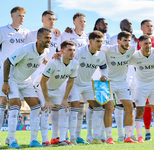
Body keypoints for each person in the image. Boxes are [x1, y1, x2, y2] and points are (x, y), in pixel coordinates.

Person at [0, 6, 29, 148]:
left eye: (23, 16)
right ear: (12, 16)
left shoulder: (25, 33)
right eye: (19, 15)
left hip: (18, 73)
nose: (21, 18)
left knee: (15, 104)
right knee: (2, 102)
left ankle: (11, 138)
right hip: (1, 71)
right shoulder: (2, 30)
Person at [2, 28, 51, 148]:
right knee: (15, 105)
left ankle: (33, 140)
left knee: (35, 106)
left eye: (50, 38)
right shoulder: (26, 49)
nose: (49, 40)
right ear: (38, 38)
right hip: (13, 80)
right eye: (46, 38)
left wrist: (53, 59)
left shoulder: (46, 51)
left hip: (26, 81)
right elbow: (7, 62)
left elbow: (41, 58)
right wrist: (5, 82)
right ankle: (11, 140)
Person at [62, 31, 107, 144]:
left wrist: (104, 75)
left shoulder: (101, 54)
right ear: (90, 42)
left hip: (88, 84)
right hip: (75, 84)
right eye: (97, 41)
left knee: (98, 108)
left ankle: (95, 138)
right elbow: (67, 60)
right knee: (76, 108)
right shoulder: (79, 52)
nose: (100, 44)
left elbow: (103, 67)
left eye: (101, 42)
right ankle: (72, 138)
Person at [24, 10, 61, 146]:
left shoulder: (57, 35)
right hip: (33, 75)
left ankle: (48, 138)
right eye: (49, 19)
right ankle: (36, 139)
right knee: (36, 107)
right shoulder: (31, 34)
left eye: (53, 19)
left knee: (47, 107)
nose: (52, 21)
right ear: (42, 20)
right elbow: (24, 49)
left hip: (50, 76)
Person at [40, 40, 78, 146]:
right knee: (46, 110)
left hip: (55, 89)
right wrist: (47, 100)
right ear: (62, 51)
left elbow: (70, 81)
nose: (72, 52)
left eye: (74, 50)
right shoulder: (53, 62)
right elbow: (42, 82)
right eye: (69, 50)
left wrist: (65, 99)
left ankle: (61, 139)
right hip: (42, 87)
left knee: (65, 109)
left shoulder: (75, 64)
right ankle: (45, 141)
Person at [102, 31, 137, 143]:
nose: (127, 43)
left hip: (122, 82)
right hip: (109, 82)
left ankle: (127, 137)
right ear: (118, 41)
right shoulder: (108, 49)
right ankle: (109, 137)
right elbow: (93, 50)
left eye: (129, 40)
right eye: (125, 40)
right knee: (109, 108)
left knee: (130, 107)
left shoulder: (132, 49)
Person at [60, 12, 88, 144]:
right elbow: (58, 49)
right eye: (80, 21)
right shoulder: (65, 35)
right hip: (68, 76)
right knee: (68, 107)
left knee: (80, 108)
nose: (83, 23)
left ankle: (77, 135)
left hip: (83, 77)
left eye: (84, 21)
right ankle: (65, 136)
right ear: (74, 23)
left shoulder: (88, 37)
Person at [86, 18, 111, 143]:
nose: (105, 25)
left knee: (102, 105)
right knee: (89, 106)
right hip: (90, 74)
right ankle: (88, 135)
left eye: (107, 23)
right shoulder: (88, 36)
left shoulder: (111, 37)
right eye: (103, 23)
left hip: (103, 75)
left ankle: (101, 135)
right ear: (97, 25)